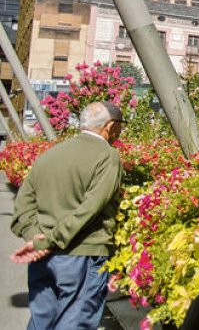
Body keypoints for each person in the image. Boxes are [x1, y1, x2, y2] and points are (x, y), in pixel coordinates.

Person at [10, 101, 125, 330]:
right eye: (121, 125)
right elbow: (90, 208)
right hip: (82, 254)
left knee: (41, 321)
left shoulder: (50, 155)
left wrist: (37, 237)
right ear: (110, 126)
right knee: (75, 322)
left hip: (42, 256)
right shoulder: (108, 156)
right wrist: (52, 240)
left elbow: (23, 203)